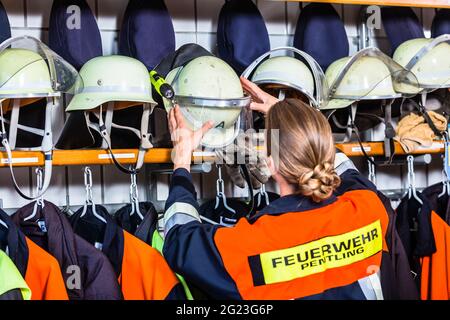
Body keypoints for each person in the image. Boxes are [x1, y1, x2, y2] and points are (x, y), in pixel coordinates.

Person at [161, 77, 404, 300]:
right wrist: (286, 115)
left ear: (271, 163)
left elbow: (180, 240)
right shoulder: (369, 209)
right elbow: (347, 172)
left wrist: (181, 161)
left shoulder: (253, 243)